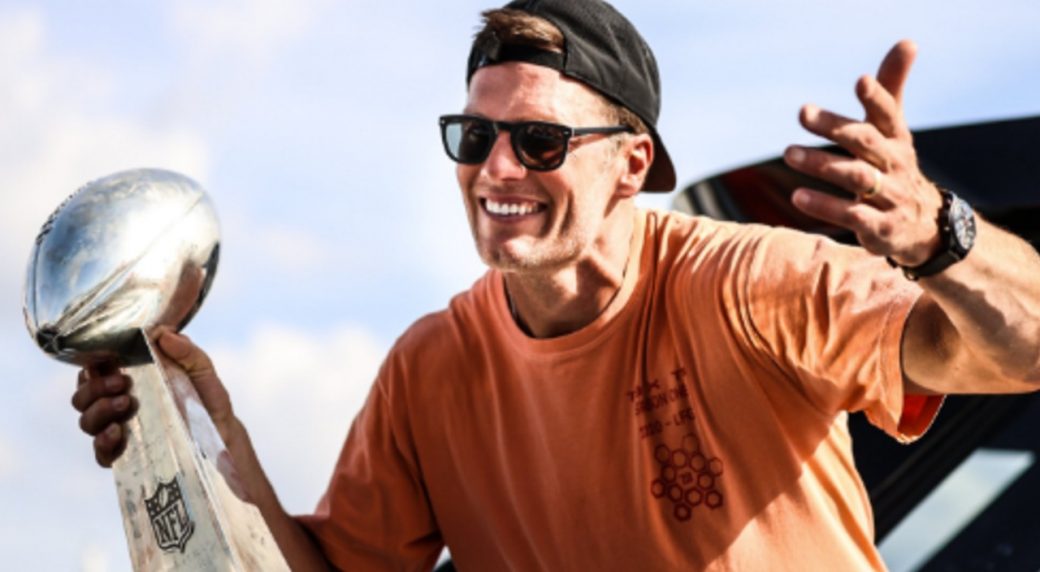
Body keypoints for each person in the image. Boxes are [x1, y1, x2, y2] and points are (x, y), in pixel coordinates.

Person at [71, 0, 1040, 569]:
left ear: (631, 162)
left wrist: (941, 238)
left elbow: (1018, 351)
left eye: (538, 140)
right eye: (473, 136)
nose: (496, 169)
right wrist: (208, 441)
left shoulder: (747, 282)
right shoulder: (429, 371)